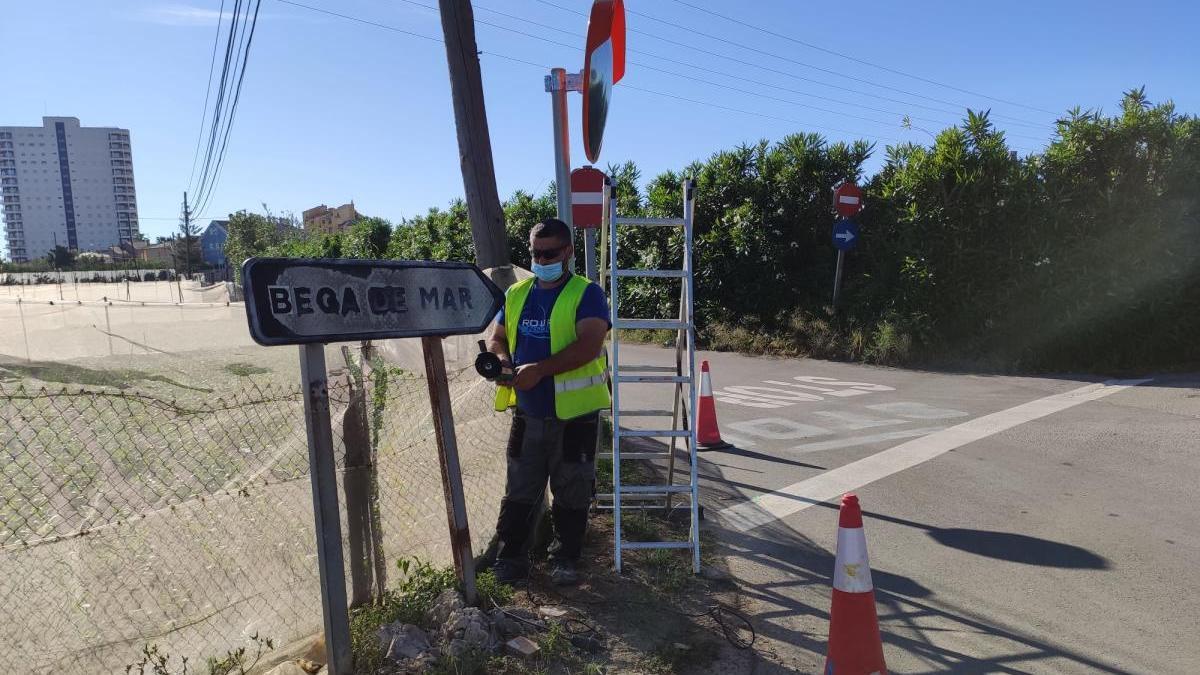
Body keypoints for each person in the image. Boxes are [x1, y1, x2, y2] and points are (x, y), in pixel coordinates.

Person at [485, 218, 611, 585]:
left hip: (575, 416)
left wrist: (540, 370)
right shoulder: (517, 294)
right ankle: (511, 558)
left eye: (550, 253)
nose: (542, 259)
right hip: (529, 411)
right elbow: (498, 337)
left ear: (568, 252)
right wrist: (503, 362)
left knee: (572, 489)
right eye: (536, 253)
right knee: (521, 488)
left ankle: (566, 558)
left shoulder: (587, 294)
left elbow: (590, 345)